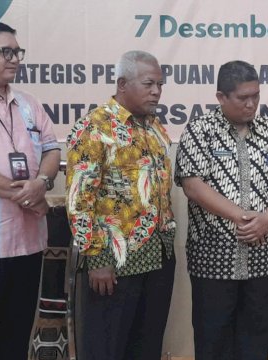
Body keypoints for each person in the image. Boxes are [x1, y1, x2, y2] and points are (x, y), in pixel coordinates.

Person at [174, 60, 268, 360]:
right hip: (213, 258)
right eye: (243, 98)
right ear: (221, 97)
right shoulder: (200, 130)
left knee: (257, 339)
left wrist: (267, 219)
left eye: (256, 95)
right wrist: (241, 217)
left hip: (264, 257)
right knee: (213, 339)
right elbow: (192, 184)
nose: (252, 103)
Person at [65, 50, 176, 360]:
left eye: (160, 84)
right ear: (123, 84)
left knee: (146, 346)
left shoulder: (153, 126)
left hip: (158, 255)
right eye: (148, 84)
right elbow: (79, 199)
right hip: (113, 262)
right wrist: (97, 258)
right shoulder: (95, 126)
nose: (156, 91)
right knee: (107, 347)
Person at [0, 21, 61, 360]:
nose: (15, 59)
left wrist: (41, 183)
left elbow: (52, 149)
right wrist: (27, 195)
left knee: (17, 339)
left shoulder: (29, 104)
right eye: (6, 52)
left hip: (28, 243)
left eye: (18, 52)